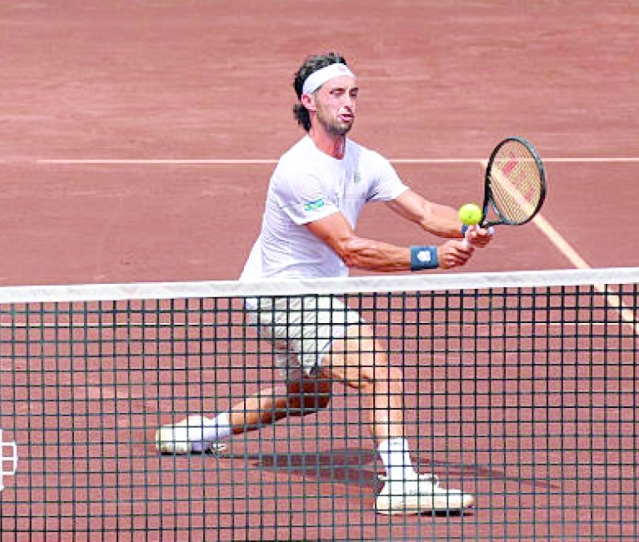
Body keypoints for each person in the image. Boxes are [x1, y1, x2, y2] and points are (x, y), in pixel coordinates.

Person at [154, 52, 493, 516]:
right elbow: (349, 248)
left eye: (353, 93)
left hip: (297, 294)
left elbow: (426, 211)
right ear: (309, 102)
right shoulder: (298, 170)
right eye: (337, 94)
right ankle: (400, 482)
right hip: (283, 296)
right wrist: (431, 257)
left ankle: (201, 433)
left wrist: (465, 228)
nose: (348, 103)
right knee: (380, 373)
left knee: (309, 397)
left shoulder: (365, 162)